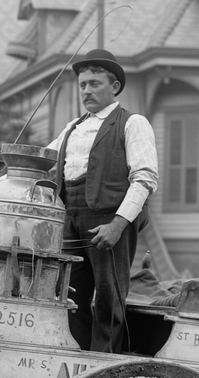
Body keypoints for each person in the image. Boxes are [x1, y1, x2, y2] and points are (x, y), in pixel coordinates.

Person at [46, 49, 158, 353]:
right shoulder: (72, 128)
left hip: (109, 220)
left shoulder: (133, 123)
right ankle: (76, 370)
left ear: (115, 87)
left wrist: (119, 225)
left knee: (109, 299)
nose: (86, 91)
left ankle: (103, 371)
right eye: (82, 85)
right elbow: (41, 163)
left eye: (95, 83)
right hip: (70, 219)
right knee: (69, 297)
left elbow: (145, 179)